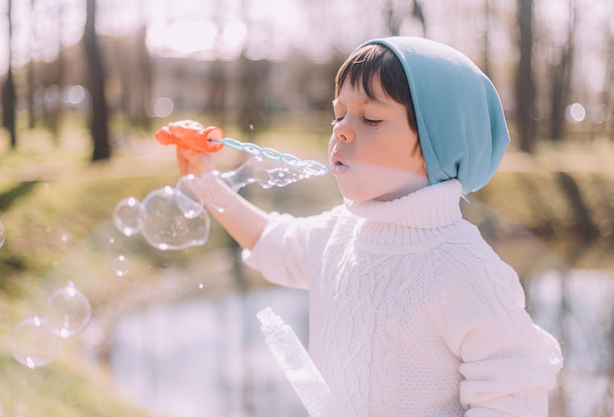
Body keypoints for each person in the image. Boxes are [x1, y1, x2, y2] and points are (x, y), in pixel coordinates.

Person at [174, 36, 563, 417]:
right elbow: (271, 241)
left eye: (371, 118)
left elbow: (512, 397)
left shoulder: (467, 270)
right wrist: (205, 184)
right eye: (338, 114)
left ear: (437, 146)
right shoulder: (338, 234)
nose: (341, 130)